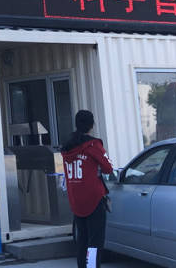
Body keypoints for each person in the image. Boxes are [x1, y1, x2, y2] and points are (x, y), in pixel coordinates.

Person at [61, 110, 113, 268]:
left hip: (76, 200)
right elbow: (108, 168)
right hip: (94, 199)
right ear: (92, 125)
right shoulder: (94, 145)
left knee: (82, 240)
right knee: (94, 243)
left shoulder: (67, 147)